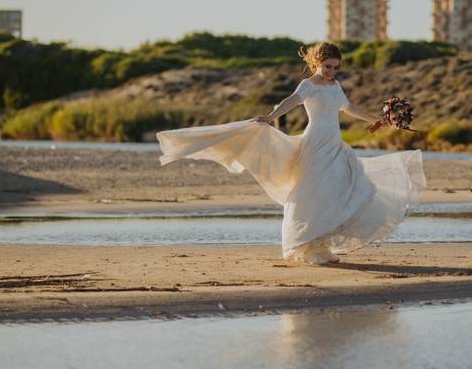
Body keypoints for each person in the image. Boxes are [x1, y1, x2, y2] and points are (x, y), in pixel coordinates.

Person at [157, 42, 426, 265]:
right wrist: (271, 116)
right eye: (327, 66)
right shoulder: (308, 85)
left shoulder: (336, 86)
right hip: (314, 145)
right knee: (314, 193)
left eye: (336, 67)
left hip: (335, 144)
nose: (332, 71)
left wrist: (376, 120)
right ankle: (308, 249)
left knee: (339, 190)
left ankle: (322, 247)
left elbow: (348, 108)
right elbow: (290, 101)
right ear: (316, 64)